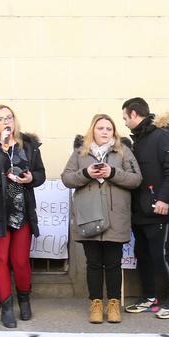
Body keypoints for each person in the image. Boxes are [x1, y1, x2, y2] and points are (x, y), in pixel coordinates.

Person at [61, 114, 143, 324]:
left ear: (113, 133)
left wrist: (112, 172)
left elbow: (136, 179)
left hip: (116, 217)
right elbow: (67, 178)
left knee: (114, 264)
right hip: (89, 217)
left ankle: (114, 304)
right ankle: (96, 304)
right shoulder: (80, 153)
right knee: (94, 264)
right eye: (101, 128)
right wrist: (86, 172)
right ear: (93, 130)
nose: (105, 132)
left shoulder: (123, 152)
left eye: (109, 128)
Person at [0, 104, 46, 329]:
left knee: (20, 261)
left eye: (9, 118)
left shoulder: (29, 145)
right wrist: (3, 148)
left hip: (22, 211)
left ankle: (24, 300)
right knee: (1, 259)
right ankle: (6, 307)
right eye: (0, 119)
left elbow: (41, 174)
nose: (6, 122)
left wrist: (30, 177)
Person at [121, 97, 169, 319]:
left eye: (125, 118)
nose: (125, 123)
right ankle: (149, 297)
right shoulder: (138, 139)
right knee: (143, 254)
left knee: (162, 254)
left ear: (134, 114)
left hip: (160, 209)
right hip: (141, 210)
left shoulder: (162, 135)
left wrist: (164, 199)